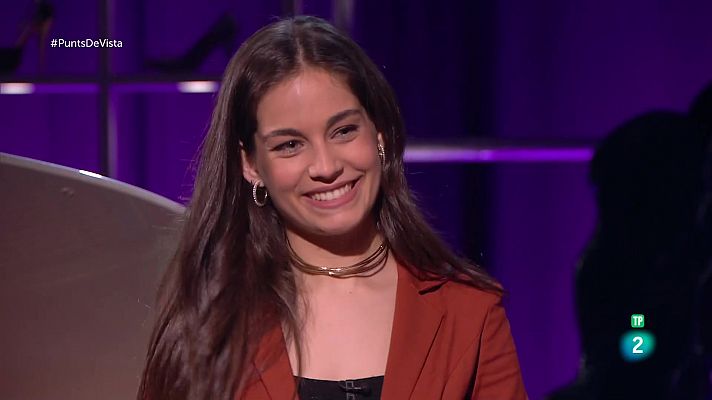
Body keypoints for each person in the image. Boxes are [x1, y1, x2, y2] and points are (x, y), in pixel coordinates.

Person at [138, 16, 526, 400]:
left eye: (343, 131)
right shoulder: (208, 321)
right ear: (251, 165)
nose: (326, 167)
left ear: (379, 134)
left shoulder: (470, 313)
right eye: (289, 145)